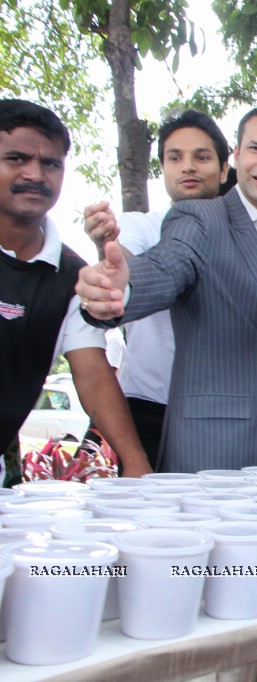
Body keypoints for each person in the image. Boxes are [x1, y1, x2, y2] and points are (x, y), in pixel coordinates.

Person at [74, 103, 257, 472]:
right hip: (212, 451)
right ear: (237, 155)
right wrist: (121, 290)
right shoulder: (199, 218)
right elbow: (166, 267)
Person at [0, 98, 150, 476]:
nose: (35, 174)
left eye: (50, 163)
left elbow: (94, 374)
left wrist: (136, 466)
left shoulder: (72, 276)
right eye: (16, 159)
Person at [82, 110, 230, 469]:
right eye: (175, 157)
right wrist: (111, 261)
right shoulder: (140, 226)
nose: (188, 167)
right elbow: (127, 268)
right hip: (146, 410)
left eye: (202, 157)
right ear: (162, 167)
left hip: (222, 416)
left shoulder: (245, 242)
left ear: (225, 169)